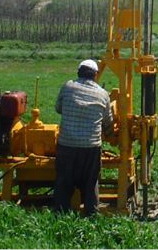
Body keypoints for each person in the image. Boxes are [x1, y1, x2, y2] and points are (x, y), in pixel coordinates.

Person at [53, 59, 113, 216]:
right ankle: (91, 215)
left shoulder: (68, 87)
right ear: (95, 75)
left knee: (63, 181)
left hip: (67, 145)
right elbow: (108, 121)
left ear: (78, 72)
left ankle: (60, 215)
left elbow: (58, 108)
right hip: (91, 147)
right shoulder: (103, 94)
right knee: (90, 182)